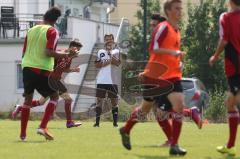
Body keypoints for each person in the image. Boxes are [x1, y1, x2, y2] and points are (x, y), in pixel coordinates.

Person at [119, 0, 189, 155]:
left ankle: (174, 145)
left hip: (172, 76)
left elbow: (170, 52)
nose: (180, 11)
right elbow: (154, 48)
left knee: (179, 105)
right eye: (177, 8)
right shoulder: (163, 28)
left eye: (180, 8)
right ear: (168, 10)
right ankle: (126, 129)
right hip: (155, 76)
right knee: (144, 110)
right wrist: (173, 53)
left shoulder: (176, 30)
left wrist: (177, 61)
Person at [19, 7, 78, 141]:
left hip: (26, 67)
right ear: (56, 20)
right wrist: (68, 54)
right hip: (41, 69)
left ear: (44, 17)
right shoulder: (52, 31)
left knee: (27, 100)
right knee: (54, 96)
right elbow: (49, 52)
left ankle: (23, 135)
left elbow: (24, 52)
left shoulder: (31, 30)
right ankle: (43, 126)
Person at [149, 13, 202, 148]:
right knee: (162, 111)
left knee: (160, 112)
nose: (152, 28)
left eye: (154, 25)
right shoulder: (163, 37)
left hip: (166, 80)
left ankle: (173, 141)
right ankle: (172, 140)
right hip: (161, 79)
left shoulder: (165, 37)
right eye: (151, 25)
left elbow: (168, 58)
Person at [12, 40, 83, 128]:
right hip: (51, 80)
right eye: (78, 50)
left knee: (41, 102)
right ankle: (69, 122)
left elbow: (65, 69)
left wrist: (73, 70)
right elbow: (48, 60)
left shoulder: (70, 58)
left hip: (54, 80)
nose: (78, 53)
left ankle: (20, 108)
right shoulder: (60, 53)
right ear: (73, 48)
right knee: (68, 99)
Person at [209, 0, 240, 156]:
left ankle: (231, 146)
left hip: (235, 68)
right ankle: (230, 146)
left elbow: (225, 40)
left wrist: (214, 57)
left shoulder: (226, 18)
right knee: (230, 103)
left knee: (231, 103)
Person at [94, 34, 121, 127]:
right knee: (99, 101)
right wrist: (107, 61)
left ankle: (115, 123)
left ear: (113, 41)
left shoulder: (116, 51)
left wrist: (110, 54)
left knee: (114, 102)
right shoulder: (100, 51)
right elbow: (97, 65)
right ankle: (97, 123)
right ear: (104, 41)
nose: (108, 41)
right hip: (101, 80)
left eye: (110, 39)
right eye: (106, 39)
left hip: (112, 81)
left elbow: (117, 63)